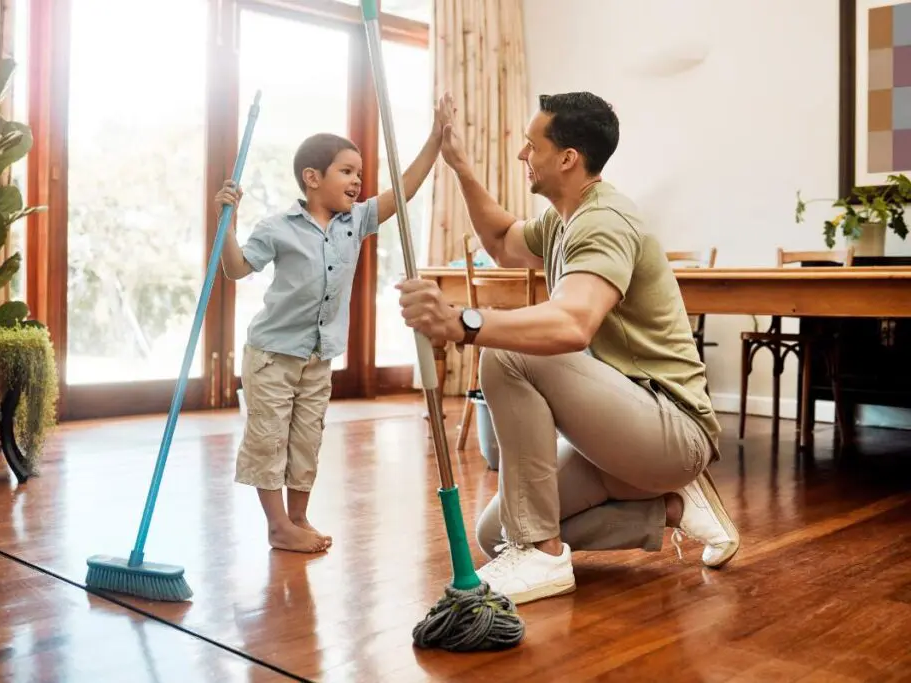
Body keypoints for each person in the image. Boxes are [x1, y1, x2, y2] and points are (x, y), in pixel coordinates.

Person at [396, 92, 740, 604]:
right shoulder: (564, 219)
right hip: (621, 430)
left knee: (508, 350)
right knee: (499, 534)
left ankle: (543, 556)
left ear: (567, 158)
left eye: (530, 146)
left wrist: (460, 323)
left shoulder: (604, 220)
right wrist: (462, 165)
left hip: (671, 428)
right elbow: (501, 242)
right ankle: (670, 509)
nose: (522, 155)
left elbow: (573, 324)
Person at [217, 94, 454, 553]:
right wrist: (226, 222)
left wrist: (435, 139)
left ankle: (299, 516)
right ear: (312, 177)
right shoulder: (277, 227)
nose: (357, 181)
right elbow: (235, 269)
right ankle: (277, 525)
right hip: (272, 355)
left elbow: (403, 191)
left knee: (307, 438)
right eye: (347, 171)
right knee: (269, 439)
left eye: (359, 174)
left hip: (319, 354)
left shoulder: (356, 221)